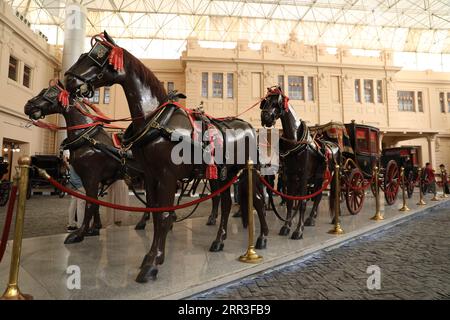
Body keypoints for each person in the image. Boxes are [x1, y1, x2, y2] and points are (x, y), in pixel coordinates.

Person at [63, 150, 86, 232]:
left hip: (73, 185)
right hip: (80, 186)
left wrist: (66, 162)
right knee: (81, 205)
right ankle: (80, 225)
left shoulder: (72, 163)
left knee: (73, 204)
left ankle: (71, 224)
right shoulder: (79, 163)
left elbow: (69, 169)